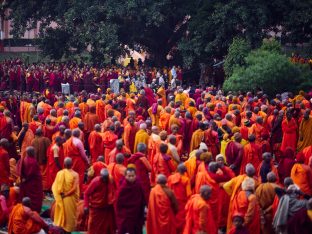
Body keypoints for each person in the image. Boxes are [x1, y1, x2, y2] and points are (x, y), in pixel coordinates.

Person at [223, 163, 257, 231]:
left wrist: (232, 193)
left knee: (235, 221)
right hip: (246, 206)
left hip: (236, 200)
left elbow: (225, 186)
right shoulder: (255, 181)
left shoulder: (238, 178)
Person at [84, 169, 116, 234]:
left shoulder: (110, 180)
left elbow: (113, 191)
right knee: (93, 226)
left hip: (106, 208)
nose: (105, 180)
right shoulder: (96, 181)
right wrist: (86, 206)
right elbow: (86, 193)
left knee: (106, 227)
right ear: (100, 176)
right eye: (103, 178)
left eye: (106, 178)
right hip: (95, 208)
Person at [52, 157, 79, 233]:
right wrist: (66, 194)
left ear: (64, 164)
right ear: (72, 164)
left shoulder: (59, 173)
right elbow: (74, 189)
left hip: (61, 198)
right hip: (69, 198)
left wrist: (61, 195)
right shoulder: (75, 174)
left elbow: (54, 187)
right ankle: (68, 231)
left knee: (62, 216)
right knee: (70, 217)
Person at [116, 167, 146, 234]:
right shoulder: (123, 187)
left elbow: (142, 197)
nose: (131, 178)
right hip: (126, 215)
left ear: (136, 176)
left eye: (133, 176)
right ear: (125, 176)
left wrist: (143, 207)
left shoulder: (138, 184)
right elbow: (118, 202)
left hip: (137, 213)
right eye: (129, 176)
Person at [16, 146, 43, 213]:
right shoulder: (33, 162)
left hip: (26, 182)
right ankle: (35, 210)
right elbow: (31, 173)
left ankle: (26, 209)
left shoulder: (24, 159)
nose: (34, 153)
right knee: (37, 197)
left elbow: (19, 169)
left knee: (27, 195)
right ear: (31, 153)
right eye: (33, 152)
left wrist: (23, 178)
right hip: (33, 183)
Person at [168, 163, 192, 233]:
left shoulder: (170, 178)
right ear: (185, 171)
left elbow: (168, 189)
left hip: (172, 201)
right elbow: (189, 194)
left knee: (173, 217)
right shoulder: (186, 180)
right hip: (182, 203)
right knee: (181, 220)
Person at [63, 128, 89, 192]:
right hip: (78, 162)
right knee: (79, 177)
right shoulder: (78, 142)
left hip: (70, 161)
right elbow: (83, 155)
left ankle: (70, 190)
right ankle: (77, 192)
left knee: (71, 176)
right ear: (79, 135)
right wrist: (87, 161)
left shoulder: (67, 141)